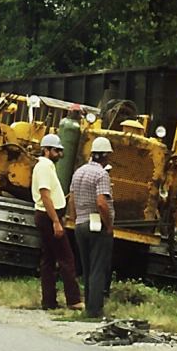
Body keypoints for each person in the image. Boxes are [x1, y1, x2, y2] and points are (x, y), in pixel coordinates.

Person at [31, 134, 83, 310]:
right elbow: (45, 195)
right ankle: (74, 300)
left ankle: (49, 301)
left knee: (48, 259)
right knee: (66, 258)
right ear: (46, 150)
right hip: (48, 217)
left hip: (47, 216)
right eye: (56, 150)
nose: (60, 154)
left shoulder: (47, 166)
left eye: (60, 151)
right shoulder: (44, 167)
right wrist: (56, 221)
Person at [67, 137, 114, 318]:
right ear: (105, 156)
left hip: (80, 224)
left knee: (87, 268)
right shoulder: (102, 174)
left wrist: (75, 218)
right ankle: (95, 310)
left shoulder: (79, 172)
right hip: (96, 225)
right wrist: (108, 225)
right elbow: (102, 203)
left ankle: (88, 307)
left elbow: (71, 198)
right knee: (98, 268)